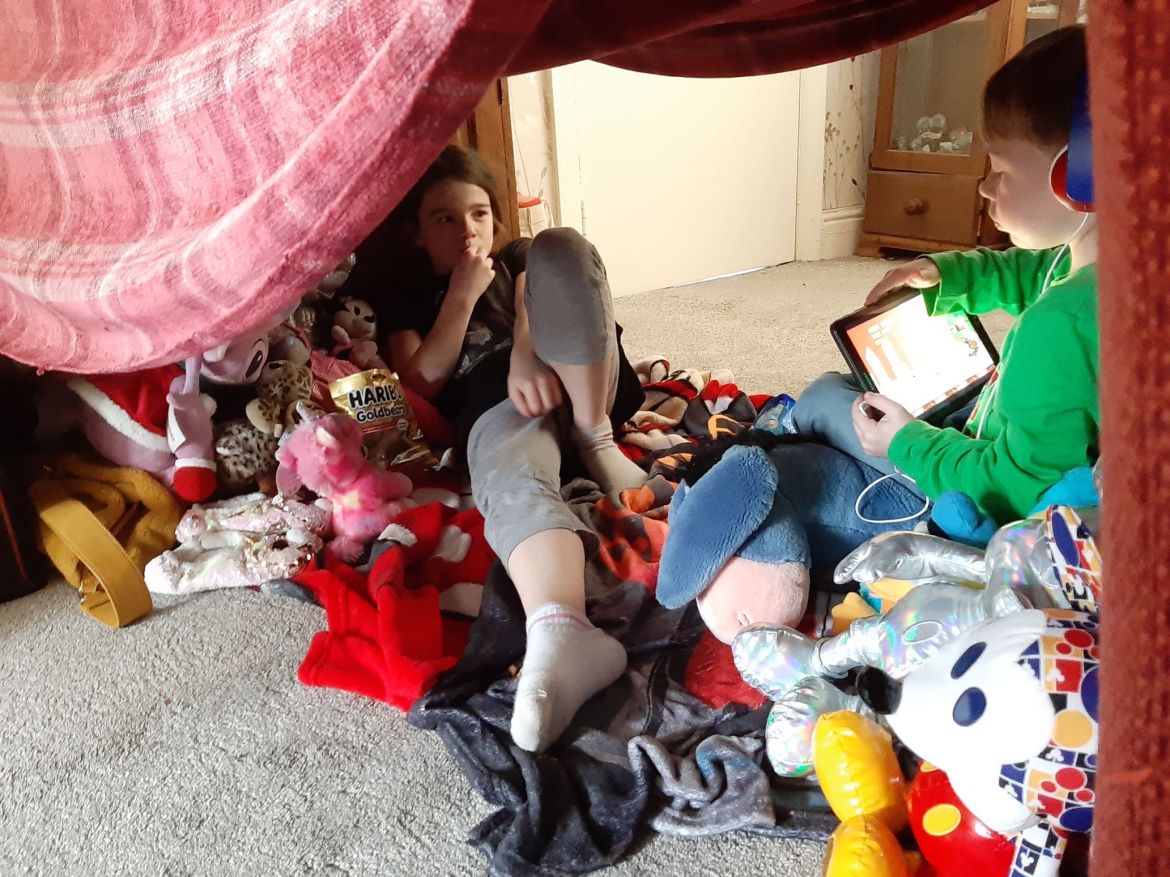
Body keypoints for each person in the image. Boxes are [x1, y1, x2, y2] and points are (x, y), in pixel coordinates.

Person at [344, 145, 647, 753]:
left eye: (479, 214)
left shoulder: (514, 259)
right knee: (511, 476)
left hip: (584, 379)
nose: (468, 230)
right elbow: (421, 381)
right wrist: (460, 294)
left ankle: (594, 434)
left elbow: (546, 304)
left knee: (561, 247)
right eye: (445, 219)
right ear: (417, 234)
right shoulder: (412, 297)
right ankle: (562, 629)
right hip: (504, 409)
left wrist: (525, 355)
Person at [794, 25, 1098, 526]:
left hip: (994, 512)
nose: (986, 187)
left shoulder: (1059, 324)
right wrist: (944, 273)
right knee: (883, 392)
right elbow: (1035, 271)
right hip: (1021, 451)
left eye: (1002, 170)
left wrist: (907, 442)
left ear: (1083, 174)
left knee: (826, 398)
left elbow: (1015, 489)